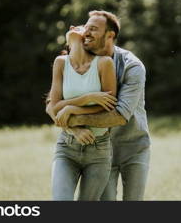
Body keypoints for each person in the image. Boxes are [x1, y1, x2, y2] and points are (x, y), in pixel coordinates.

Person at [62, 10, 151, 201]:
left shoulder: (132, 67)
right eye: (85, 28)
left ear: (110, 36)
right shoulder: (78, 61)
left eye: (93, 29)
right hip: (100, 151)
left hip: (134, 148)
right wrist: (73, 128)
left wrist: (73, 118)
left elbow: (119, 115)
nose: (86, 32)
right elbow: (53, 104)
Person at [45, 24, 125, 200]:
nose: (72, 27)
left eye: (80, 27)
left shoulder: (104, 63)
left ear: (87, 40)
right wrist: (85, 99)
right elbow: (55, 106)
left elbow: (108, 106)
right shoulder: (60, 63)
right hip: (67, 146)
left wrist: (72, 109)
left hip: (98, 149)